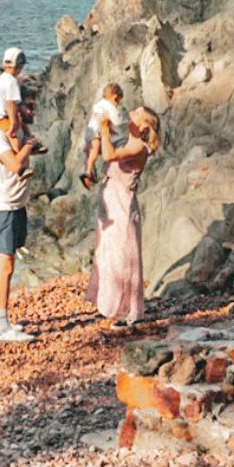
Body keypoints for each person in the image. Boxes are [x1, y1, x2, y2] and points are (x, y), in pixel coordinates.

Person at [86, 106, 159, 330]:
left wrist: (106, 131)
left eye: (137, 114)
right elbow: (102, 150)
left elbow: (109, 155)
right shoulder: (126, 141)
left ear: (144, 125)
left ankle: (129, 311)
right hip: (110, 205)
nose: (131, 114)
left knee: (123, 259)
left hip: (122, 208)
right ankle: (111, 306)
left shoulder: (138, 147)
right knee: (107, 256)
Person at [0, 85, 44, 343]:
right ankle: (1, 327)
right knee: (5, 264)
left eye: (33, 105)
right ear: (13, 107)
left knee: (3, 260)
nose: (33, 110)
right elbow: (16, 164)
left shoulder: (17, 131)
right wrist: (29, 147)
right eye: (28, 106)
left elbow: (25, 152)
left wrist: (31, 145)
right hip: (4, 206)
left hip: (16, 204)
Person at [79, 83, 125, 190]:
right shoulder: (109, 105)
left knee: (91, 152)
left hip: (90, 130)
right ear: (115, 97)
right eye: (118, 101)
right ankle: (87, 172)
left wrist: (110, 130)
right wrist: (119, 121)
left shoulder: (101, 103)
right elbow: (114, 119)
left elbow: (103, 119)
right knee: (94, 151)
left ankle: (89, 172)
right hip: (95, 131)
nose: (118, 104)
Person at [0, 48, 25, 126]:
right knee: (13, 137)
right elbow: (10, 104)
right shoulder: (11, 81)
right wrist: (13, 123)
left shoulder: (2, 78)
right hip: (0, 118)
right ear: (18, 66)